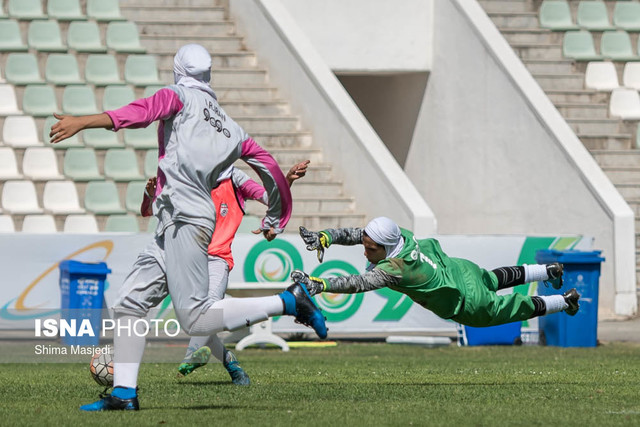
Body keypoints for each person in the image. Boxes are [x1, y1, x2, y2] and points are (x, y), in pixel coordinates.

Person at [50, 44, 326, 411]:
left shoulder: (176, 97)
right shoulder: (231, 127)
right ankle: (124, 394)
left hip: (186, 218)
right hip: (174, 221)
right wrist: (277, 216)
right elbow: (269, 167)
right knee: (129, 305)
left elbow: (140, 112)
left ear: (177, 71)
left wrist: (82, 121)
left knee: (196, 319)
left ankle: (289, 301)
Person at [140, 161, 310, 385]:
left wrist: (286, 180)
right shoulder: (185, 174)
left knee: (209, 309)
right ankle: (231, 364)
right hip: (187, 260)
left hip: (217, 258)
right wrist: (149, 194)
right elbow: (148, 211)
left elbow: (269, 197)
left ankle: (193, 353)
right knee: (195, 322)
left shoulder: (234, 178)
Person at [291, 217, 580, 329]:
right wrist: (326, 237)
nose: (364, 252)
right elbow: (359, 234)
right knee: (494, 278)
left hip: (464, 302)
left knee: (516, 308)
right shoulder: (400, 235)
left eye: (370, 248)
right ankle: (547, 270)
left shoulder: (395, 270)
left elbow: (357, 283)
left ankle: (565, 302)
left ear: (385, 246)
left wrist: (320, 283)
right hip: (460, 270)